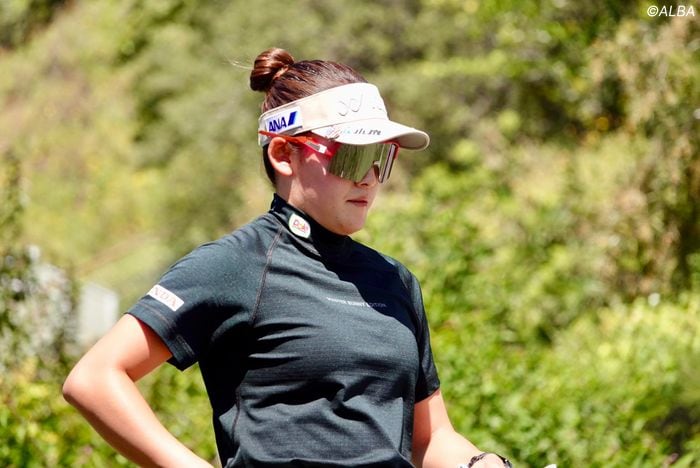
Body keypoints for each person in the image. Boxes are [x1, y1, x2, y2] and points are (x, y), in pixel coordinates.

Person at [63, 47, 511, 468]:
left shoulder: (395, 280)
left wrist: (483, 463)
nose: (370, 179)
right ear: (283, 154)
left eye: (382, 157)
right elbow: (95, 379)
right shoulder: (235, 265)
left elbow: (430, 438)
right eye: (353, 157)